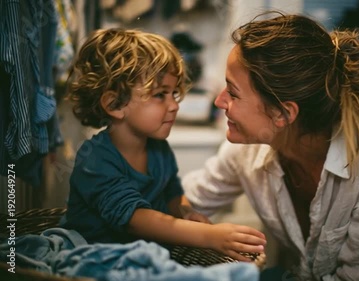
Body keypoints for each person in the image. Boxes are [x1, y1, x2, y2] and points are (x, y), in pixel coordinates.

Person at [182, 12, 359, 280]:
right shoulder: (245, 152)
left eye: (233, 92)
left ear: (283, 114)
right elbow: (186, 200)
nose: (218, 101)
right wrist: (200, 231)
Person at [59, 28, 266, 262]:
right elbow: (135, 220)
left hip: (141, 257)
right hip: (92, 257)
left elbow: (172, 194)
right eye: (160, 95)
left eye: (174, 93)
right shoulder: (95, 159)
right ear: (115, 104)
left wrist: (186, 211)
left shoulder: (158, 148)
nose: (174, 105)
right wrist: (209, 236)